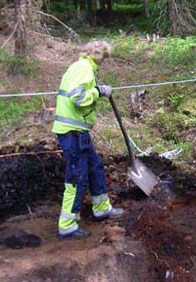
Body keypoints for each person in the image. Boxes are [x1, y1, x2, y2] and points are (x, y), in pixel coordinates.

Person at [52, 40, 124, 239]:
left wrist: (96, 89)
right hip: (72, 132)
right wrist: (98, 92)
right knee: (77, 177)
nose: (104, 63)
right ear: (99, 56)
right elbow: (78, 97)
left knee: (94, 167)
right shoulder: (84, 68)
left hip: (78, 132)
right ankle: (67, 225)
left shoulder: (80, 67)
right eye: (104, 58)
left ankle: (101, 208)